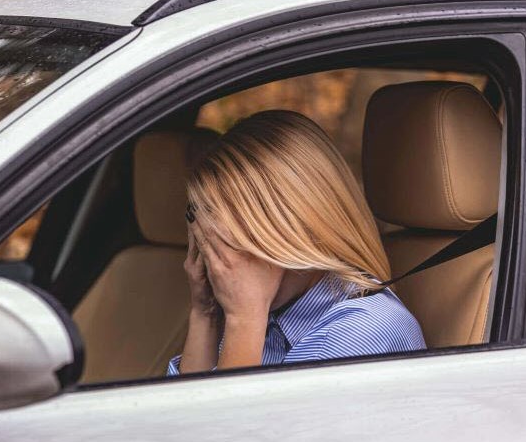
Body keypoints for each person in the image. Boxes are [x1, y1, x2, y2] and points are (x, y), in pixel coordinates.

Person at [168, 109, 425, 375]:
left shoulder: (365, 332)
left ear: (297, 228)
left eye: (232, 243)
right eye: (208, 244)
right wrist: (205, 313)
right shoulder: (269, 316)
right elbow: (179, 411)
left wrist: (245, 320)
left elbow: (226, 418)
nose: (220, 264)